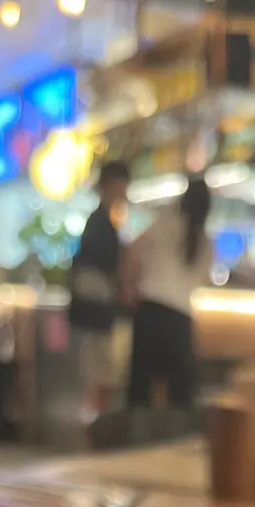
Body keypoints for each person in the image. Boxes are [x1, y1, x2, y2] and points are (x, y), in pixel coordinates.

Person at [122, 176, 211, 411]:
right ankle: (174, 434)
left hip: (150, 314)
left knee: (140, 392)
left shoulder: (164, 223)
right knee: (180, 397)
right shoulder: (205, 242)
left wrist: (129, 287)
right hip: (180, 320)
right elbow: (203, 282)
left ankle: (138, 433)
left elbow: (132, 252)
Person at [69, 159, 130, 419]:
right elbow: (105, 268)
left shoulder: (100, 222)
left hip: (95, 314)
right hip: (100, 314)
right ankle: (97, 427)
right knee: (103, 376)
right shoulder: (101, 225)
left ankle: (95, 425)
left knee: (98, 375)